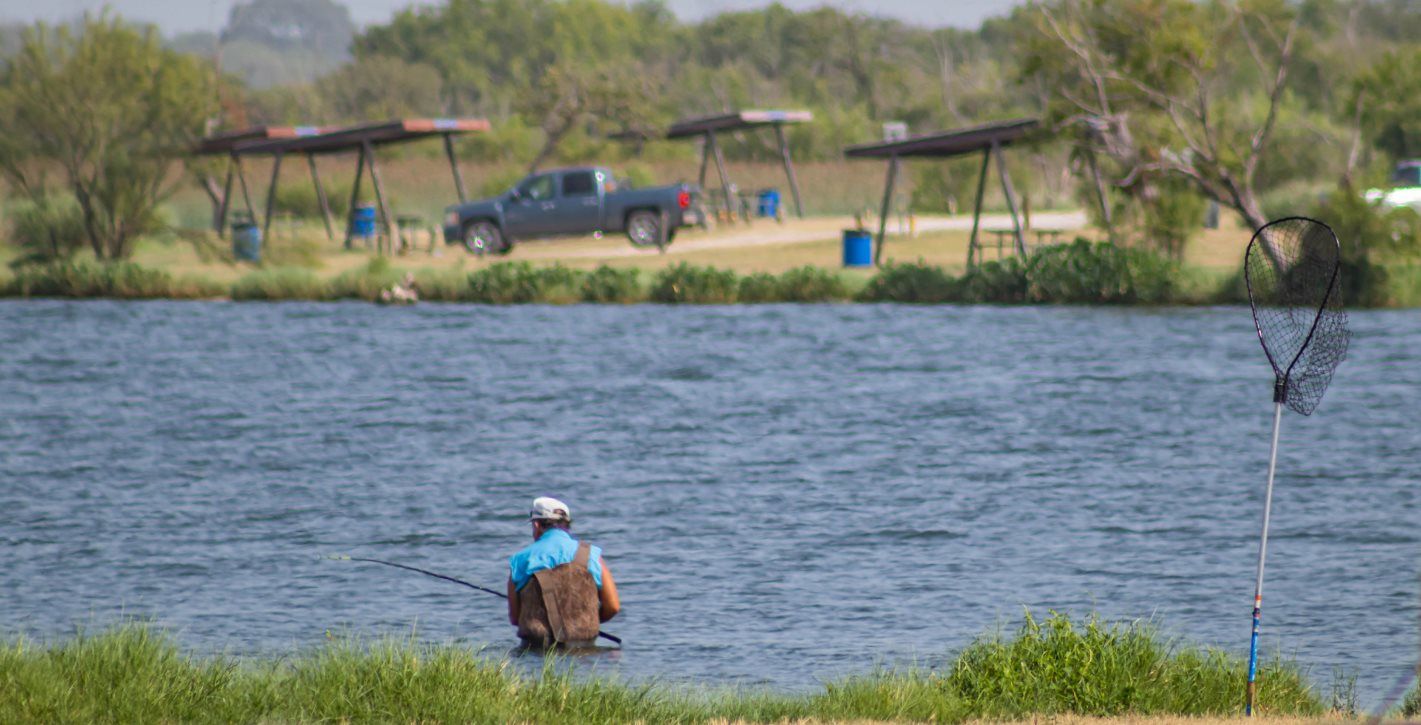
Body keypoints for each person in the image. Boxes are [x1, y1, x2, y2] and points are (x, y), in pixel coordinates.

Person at [507, 496, 619, 649]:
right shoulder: (591, 555)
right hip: (584, 651)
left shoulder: (520, 560)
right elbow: (613, 607)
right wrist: (588, 619)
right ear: (567, 525)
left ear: (537, 524)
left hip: (536, 649)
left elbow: (515, 618)